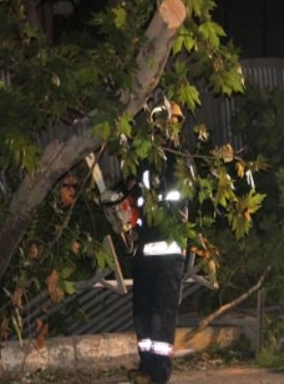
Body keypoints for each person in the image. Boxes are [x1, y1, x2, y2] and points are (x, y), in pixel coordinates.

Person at [128, 99, 190, 384]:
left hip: (168, 249)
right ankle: (146, 365)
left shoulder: (179, 159)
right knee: (143, 310)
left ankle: (159, 373)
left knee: (161, 314)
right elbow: (135, 198)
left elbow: (183, 199)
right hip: (145, 249)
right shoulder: (143, 161)